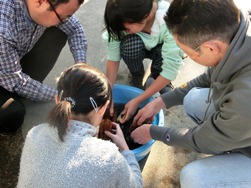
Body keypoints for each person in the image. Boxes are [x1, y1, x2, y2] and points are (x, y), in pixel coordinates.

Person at [131, 0, 251, 187]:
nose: (186, 56)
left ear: (211, 47)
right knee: (193, 98)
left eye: (187, 53)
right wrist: (158, 102)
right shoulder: (236, 38)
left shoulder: (245, 98)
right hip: (242, 124)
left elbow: (202, 139)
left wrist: (153, 132)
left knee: (193, 177)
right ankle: (229, 141)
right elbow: (207, 78)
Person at [17, 63, 142, 188]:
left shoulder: (35, 135)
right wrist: (125, 149)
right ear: (103, 108)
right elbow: (136, 185)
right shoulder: (108, 156)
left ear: (57, 100)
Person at [0, 0, 87, 136]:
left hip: (13, 62)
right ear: (40, 2)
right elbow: (17, 81)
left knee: (59, 31)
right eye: (62, 17)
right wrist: (61, 96)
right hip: (7, 74)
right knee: (11, 113)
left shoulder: (46, 6)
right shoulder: (3, 30)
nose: (64, 21)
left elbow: (75, 28)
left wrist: (81, 67)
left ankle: (27, 91)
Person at [102, 0, 183, 122]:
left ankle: (156, 76)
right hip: (137, 45)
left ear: (146, 16)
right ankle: (137, 74)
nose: (123, 31)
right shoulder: (120, 19)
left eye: (126, 28)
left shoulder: (169, 19)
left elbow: (170, 69)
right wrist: (109, 94)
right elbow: (113, 57)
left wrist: (138, 100)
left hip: (161, 50)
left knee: (162, 68)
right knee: (129, 46)